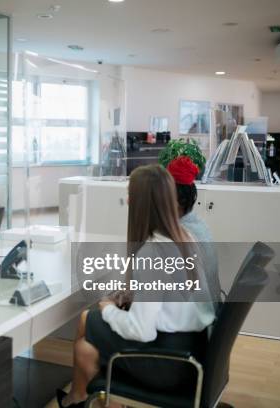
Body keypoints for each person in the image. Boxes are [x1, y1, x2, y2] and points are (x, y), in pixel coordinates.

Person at [57, 164, 215, 408]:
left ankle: (79, 400)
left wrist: (108, 307)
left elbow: (143, 331)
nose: (128, 200)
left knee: (88, 321)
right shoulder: (184, 237)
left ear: (141, 204)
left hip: (168, 363)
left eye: (131, 194)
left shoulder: (152, 252)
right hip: (190, 351)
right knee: (86, 345)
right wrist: (135, 296)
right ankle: (82, 399)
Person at [166, 155, 222, 307]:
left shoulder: (180, 237)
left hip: (196, 321)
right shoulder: (200, 225)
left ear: (177, 200)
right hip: (211, 310)